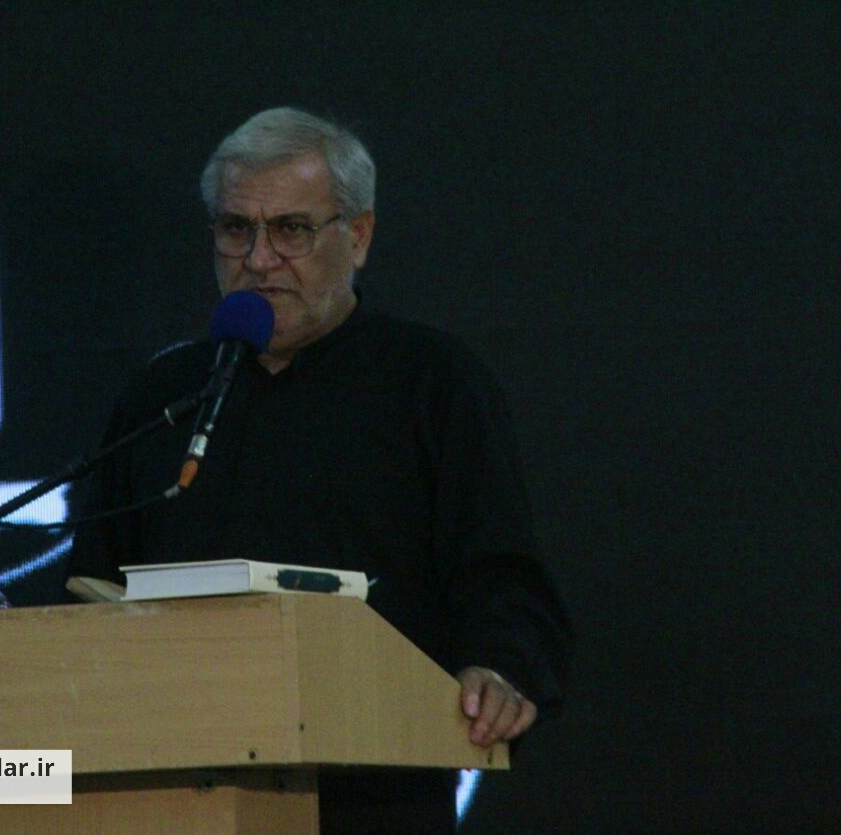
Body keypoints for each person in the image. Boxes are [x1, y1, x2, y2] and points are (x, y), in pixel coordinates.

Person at [68, 107, 572, 832]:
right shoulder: (162, 397)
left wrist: (499, 668)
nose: (259, 259)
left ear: (358, 237)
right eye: (236, 228)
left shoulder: (431, 383)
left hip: (370, 796)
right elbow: (89, 587)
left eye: (291, 230)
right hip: (169, 792)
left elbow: (504, 577)